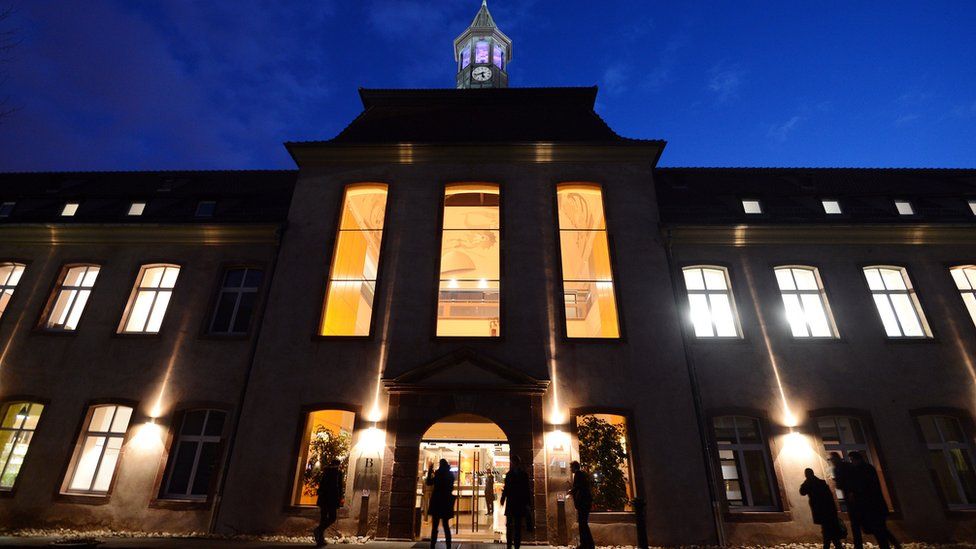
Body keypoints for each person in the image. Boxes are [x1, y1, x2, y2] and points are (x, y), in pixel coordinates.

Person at [849, 451, 901, 549]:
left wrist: (855, 492)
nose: (852, 462)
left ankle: (891, 545)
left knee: (879, 530)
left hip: (873, 506)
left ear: (858, 459)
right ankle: (894, 544)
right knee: (880, 530)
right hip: (874, 506)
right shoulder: (867, 469)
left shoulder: (864, 470)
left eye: (852, 460)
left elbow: (866, 487)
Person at [799, 468, 845, 549]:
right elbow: (830, 497)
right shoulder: (821, 482)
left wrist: (806, 481)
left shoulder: (809, 483)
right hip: (828, 510)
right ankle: (835, 546)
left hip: (820, 510)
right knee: (829, 529)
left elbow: (802, 492)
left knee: (827, 530)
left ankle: (831, 546)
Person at [828, 452, 862, 549]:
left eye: (831, 459)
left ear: (837, 458)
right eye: (830, 460)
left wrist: (851, 491)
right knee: (855, 523)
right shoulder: (837, 469)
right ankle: (858, 545)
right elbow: (840, 484)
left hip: (855, 497)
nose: (831, 462)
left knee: (859, 522)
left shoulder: (845, 467)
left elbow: (853, 480)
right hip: (849, 497)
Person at [501, 455, 531, 549]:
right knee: (511, 526)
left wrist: (527, 504)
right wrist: (503, 498)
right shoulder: (517, 475)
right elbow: (506, 488)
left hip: (516, 503)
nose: (513, 464)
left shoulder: (512, 475)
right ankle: (510, 546)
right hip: (515, 503)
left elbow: (526, 490)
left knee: (516, 527)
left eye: (513, 462)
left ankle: (515, 546)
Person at [313, 459, 342, 547]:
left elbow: (322, 485)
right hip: (331, 499)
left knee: (323, 518)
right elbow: (339, 487)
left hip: (324, 499)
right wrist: (339, 499)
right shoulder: (337, 473)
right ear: (337, 465)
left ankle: (320, 539)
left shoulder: (325, 472)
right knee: (332, 517)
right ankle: (318, 531)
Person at [428, 459, 455, 549]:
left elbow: (429, 482)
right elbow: (451, 487)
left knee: (434, 526)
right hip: (446, 502)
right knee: (446, 525)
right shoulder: (450, 475)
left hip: (437, 502)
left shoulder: (438, 474)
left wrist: (430, 470)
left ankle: (432, 545)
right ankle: (448, 546)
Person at [569, 461, 595, 549]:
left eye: (571, 467)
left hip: (583, 503)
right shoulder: (581, 474)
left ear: (574, 467)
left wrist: (571, 491)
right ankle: (589, 544)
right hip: (585, 502)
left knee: (582, 524)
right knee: (583, 523)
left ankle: (586, 544)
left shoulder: (578, 474)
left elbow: (578, 487)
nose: (570, 469)